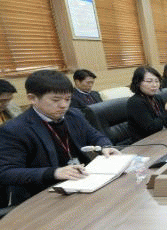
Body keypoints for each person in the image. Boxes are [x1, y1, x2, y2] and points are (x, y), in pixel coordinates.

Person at [0, 70, 119, 204]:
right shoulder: (15, 129)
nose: (64, 105)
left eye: (68, 99)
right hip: (46, 194)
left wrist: (105, 146)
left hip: (83, 182)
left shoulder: (74, 115)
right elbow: (6, 172)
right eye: (55, 100)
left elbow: (95, 135)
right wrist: (54, 173)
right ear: (32, 98)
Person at [127, 66, 167, 142]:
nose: (154, 85)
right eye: (149, 81)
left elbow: (166, 121)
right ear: (138, 82)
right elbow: (152, 128)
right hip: (145, 143)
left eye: (157, 81)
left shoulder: (156, 98)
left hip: (161, 137)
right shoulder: (135, 102)